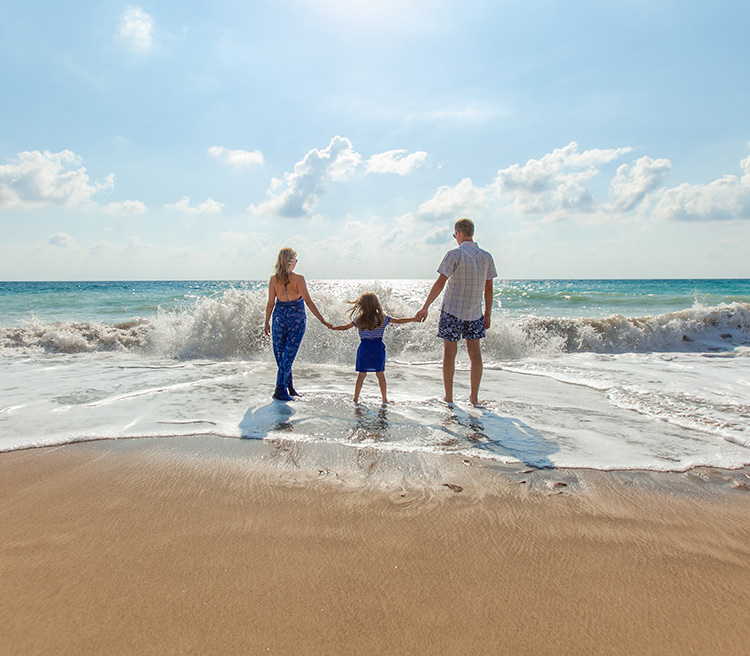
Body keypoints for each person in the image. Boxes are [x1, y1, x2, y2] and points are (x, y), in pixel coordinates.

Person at [415, 218, 497, 405]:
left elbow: (440, 283)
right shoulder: (486, 256)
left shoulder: (454, 255)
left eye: (455, 235)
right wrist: (488, 313)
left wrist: (425, 306)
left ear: (458, 233)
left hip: (452, 311)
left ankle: (449, 397)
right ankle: (474, 398)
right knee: (475, 354)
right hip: (475, 313)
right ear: (472, 233)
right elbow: (489, 289)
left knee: (449, 354)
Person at [264, 247, 330, 401]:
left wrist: (266, 322)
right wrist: (322, 319)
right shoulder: (299, 279)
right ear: (292, 263)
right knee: (287, 355)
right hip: (296, 318)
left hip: (279, 317)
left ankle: (289, 388)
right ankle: (280, 390)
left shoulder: (274, 279)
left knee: (283, 356)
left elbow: (270, 303)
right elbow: (308, 301)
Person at [329, 292, 418, 404]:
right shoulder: (382, 318)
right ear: (376, 304)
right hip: (377, 348)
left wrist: (333, 328)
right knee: (380, 374)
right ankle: (384, 399)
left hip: (364, 348)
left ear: (362, 305)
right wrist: (414, 319)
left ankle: (356, 399)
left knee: (361, 375)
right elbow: (399, 321)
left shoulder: (359, 319)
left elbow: (346, 327)